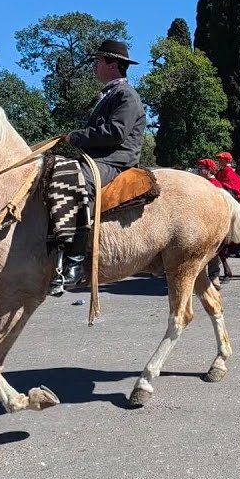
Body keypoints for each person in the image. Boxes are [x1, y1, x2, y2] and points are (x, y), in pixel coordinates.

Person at [52, 39, 146, 291]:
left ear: (112, 64)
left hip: (115, 163)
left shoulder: (126, 95)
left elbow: (115, 133)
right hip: (99, 159)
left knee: (77, 182)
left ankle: (74, 261)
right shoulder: (110, 94)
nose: (95, 66)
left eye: (98, 61)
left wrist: (77, 136)